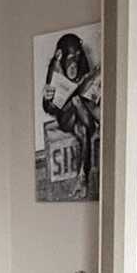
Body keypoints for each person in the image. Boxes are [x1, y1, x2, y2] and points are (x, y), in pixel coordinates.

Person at [41, 32, 101, 197]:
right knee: (77, 105)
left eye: (77, 57)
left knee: (84, 130)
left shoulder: (81, 61)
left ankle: (83, 179)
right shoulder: (55, 67)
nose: (74, 64)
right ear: (60, 55)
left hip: (83, 115)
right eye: (70, 59)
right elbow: (49, 108)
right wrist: (47, 98)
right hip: (66, 117)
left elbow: (89, 95)